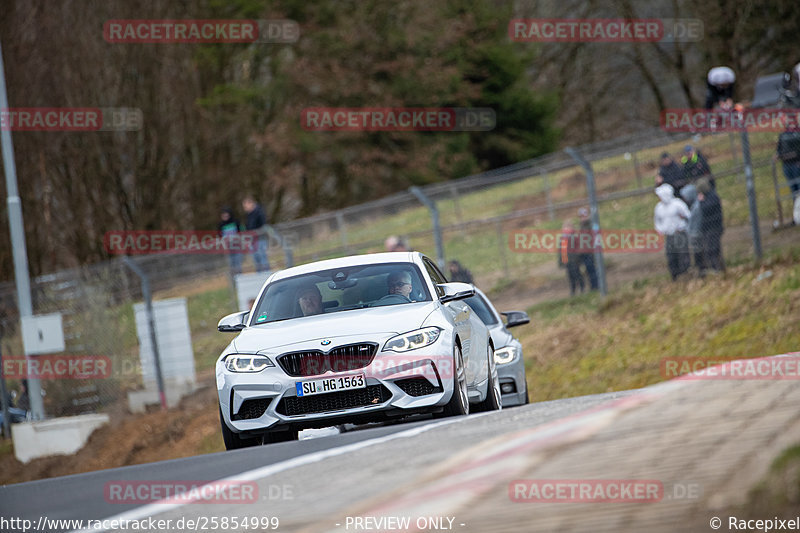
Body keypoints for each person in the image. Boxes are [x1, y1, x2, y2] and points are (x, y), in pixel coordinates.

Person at [654, 184, 691, 281]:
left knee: (682, 254)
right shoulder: (659, 207)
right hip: (669, 235)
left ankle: (685, 273)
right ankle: (675, 275)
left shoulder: (678, 204)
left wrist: (683, 225)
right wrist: (661, 230)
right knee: (671, 255)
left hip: (679, 233)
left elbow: (688, 215)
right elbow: (657, 221)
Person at [697, 178, 725, 273]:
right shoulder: (709, 196)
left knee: (712, 249)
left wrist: (701, 201)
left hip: (714, 227)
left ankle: (716, 268)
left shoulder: (712, 197)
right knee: (710, 249)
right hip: (708, 228)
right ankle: (715, 268)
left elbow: (706, 209)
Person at [680, 184, 706, 278]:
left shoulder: (696, 207)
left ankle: (702, 272)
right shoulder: (693, 205)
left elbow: (694, 223)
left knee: (699, 254)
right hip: (695, 235)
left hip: (697, 235)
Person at [242, 195, 270, 272]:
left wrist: (255, 233)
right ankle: (260, 274)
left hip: (260, 239)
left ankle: (266, 273)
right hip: (252, 240)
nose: (245, 208)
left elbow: (263, 225)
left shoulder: (259, 212)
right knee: (255, 258)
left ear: (251, 204)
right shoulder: (249, 215)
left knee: (262, 256)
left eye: (246, 206)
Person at [557, 221, 584, 296]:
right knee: (570, 276)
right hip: (567, 261)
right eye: (565, 228)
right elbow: (561, 251)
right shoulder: (562, 239)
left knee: (577, 274)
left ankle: (582, 287)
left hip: (574, 260)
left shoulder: (575, 237)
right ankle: (573, 290)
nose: (567, 230)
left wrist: (577, 257)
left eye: (568, 228)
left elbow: (579, 248)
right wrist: (562, 261)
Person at [775, 125, 800, 198]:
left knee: (799, 186)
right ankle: (797, 207)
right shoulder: (783, 134)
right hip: (786, 165)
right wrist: (777, 155)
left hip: (797, 164)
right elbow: (779, 149)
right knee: (793, 188)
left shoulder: (798, 132)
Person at [576, 208, 598, 291]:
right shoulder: (581, 226)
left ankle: (595, 286)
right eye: (581, 217)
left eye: (584, 216)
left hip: (589, 252)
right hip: (583, 252)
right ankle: (593, 286)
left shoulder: (590, 226)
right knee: (588, 271)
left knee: (592, 270)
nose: (582, 218)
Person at [218, 207, 243, 275]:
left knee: (238, 263)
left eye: (226, 215)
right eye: (223, 215)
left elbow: (241, 232)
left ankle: (240, 277)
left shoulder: (236, 222)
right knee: (231, 265)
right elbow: (220, 236)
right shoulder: (221, 225)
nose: (225, 217)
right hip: (228, 248)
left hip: (237, 246)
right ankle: (233, 280)